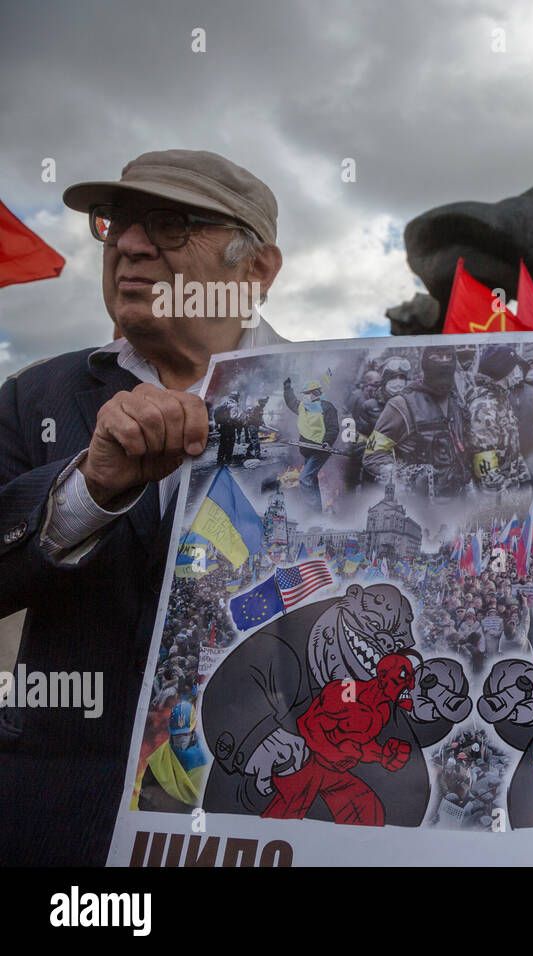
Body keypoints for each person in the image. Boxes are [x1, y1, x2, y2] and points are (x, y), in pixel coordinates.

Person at [0, 149, 285, 865]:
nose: (128, 243)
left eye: (169, 222)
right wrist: (89, 492)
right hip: (58, 830)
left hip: (261, 817)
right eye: (116, 223)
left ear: (256, 269)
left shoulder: (337, 400)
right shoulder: (35, 398)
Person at [364, 348, 471, 500]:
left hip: (457, 503)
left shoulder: (456, 402)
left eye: (449, 357)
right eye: (436, 357)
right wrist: (404, 481)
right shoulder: (401, 404)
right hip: (421, 507)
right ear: (425, 364)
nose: (444, 363)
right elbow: (373, 455)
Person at [282, 377, 340, 512]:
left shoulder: (327, 407)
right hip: (307, 449)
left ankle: (312, 511)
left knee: (304, 478)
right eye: (304, 394)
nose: (304, 396)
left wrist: (327, 442)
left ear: (316, 393)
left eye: (307, 393)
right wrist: (287, 388)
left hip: (320, 449)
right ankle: (317, 510)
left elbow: (333, 428)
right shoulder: (302, 406)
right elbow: (291, 402)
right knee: (311, 479)